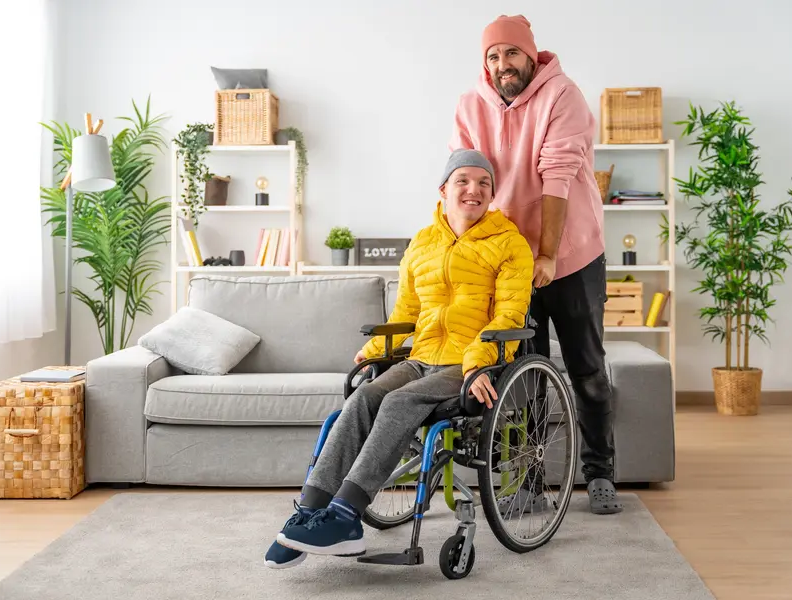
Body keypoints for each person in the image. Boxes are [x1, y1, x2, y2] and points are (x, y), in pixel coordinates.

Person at [265, 149, 534, 569]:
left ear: (492, 194)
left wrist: (478, 362)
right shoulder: (423, 243)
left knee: (398, 402)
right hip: (421, 356)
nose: (474, 190)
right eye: (463, 180)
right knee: (362, 399)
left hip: (470, 363)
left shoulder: (510, 244)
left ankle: (346, 516)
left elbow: (509, 315)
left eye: (484, 183)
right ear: (444, 189)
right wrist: (375, 350)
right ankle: (309, 511)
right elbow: (405, 314)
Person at [449, 14, 622, 515]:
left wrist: (546, 254)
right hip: (508, 263)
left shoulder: (561, 94)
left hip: (570, 257)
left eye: (512, 54)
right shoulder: (469, 105)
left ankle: (600, 471)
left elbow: (557, 176)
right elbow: (465, 180)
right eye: (493, 56)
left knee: (587, 369)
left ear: (531, 54)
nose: (503, 64)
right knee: (521, 376)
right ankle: (527, 481)